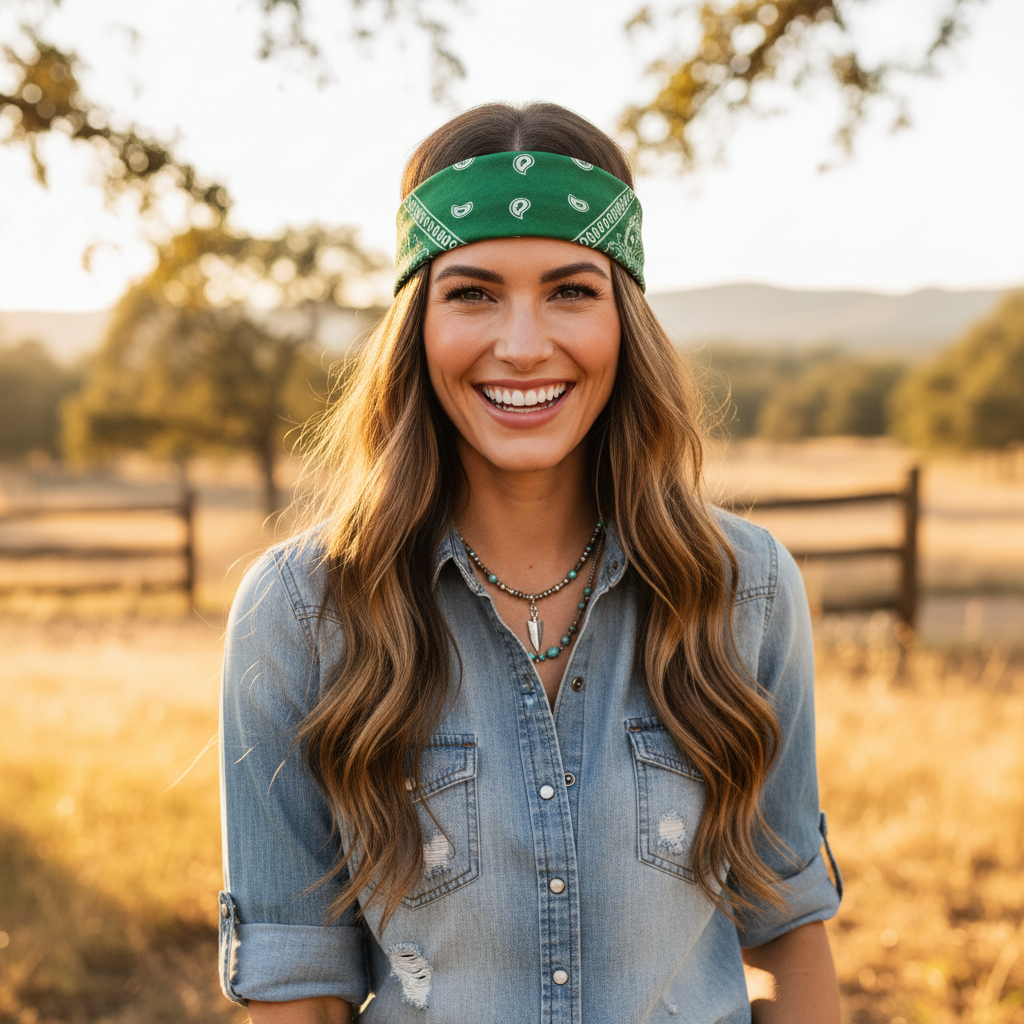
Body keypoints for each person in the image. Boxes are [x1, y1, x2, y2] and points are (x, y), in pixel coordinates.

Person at [218, 101, 842, 1024]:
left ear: (625, 319)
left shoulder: (743, 587)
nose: (520, 345)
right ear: (417, 324)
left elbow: (788, 931)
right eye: (472, 293)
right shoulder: (302, 610)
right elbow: (295, 982)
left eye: (570, 291)